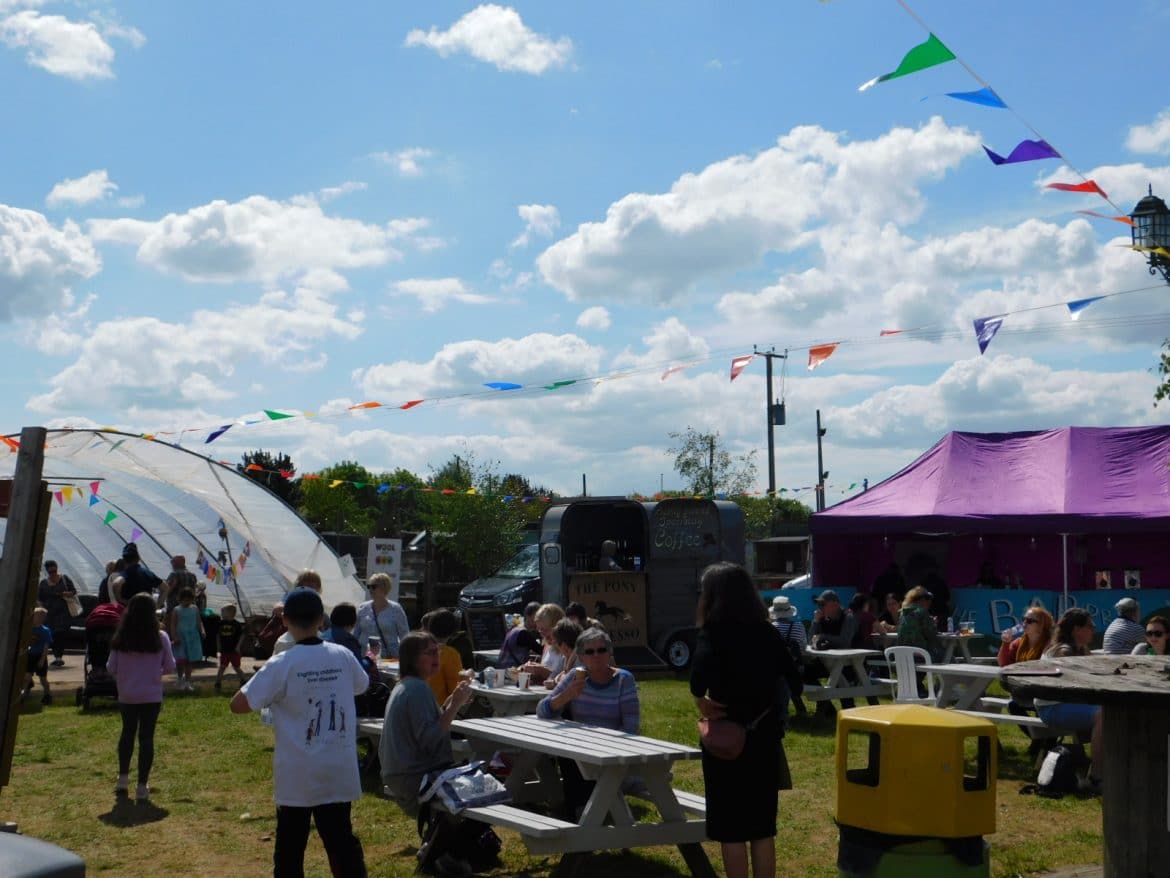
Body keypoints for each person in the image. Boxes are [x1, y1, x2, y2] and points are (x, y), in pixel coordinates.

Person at [232, 588, 370, 877]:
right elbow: (362, 685)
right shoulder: (343, 655)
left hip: (298, 772)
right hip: (337, 768)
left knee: (290, 847)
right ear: (321, 619)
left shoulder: (283, 662)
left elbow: (239, 704)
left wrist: (273, 693)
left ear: (285, 620)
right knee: (341, 841)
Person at [690, 562, 801, 878]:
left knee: (731, 829)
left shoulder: (713, 634)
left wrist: (700, 699)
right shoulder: (767, 632)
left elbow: (697, 680)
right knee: (762, 827)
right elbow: (795, 681)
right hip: (764, 735)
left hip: (725, 737)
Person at [538, 626, 640, 815]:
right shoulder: (575, 677)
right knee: (567, 754)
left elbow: (631, 729)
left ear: (609, 653)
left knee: (577, 762)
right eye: (590, 652)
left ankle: (582, 811)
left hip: (612, 750)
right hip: (582, 750)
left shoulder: (623, 680)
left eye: (601, 650)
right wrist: (567, 695)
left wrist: (607, 746)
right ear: (581, 657)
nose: (596, 656)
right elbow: (542, 711)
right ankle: (579, 810)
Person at [380, 630, 473, 817]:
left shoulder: (406, 685)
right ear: (412, 658)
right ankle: (448, 834)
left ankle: (448, 834)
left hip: (401, 774)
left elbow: (427, 725)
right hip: (415, 778)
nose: (436, 657)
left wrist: (451, 702)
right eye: (429, 653)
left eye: (437, 651)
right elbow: (430, 739)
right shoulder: (416, 689)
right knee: (487, 789)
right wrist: (454, 705)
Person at [107, 592, 177, 802]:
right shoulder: (160, 637)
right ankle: (142, 785)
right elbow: (170, 667)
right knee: (146, 738)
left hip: (127, 694)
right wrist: (154, 672)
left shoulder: (121, 637)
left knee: (127, 734)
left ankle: (122, 780)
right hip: (151, 695)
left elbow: (111, 667)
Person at [1040, 608, 1103, 789]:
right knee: (1103, 715)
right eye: (1090, 626)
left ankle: (1106, 767)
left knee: (1113, 710)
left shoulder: (1079, 648)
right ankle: (1096, 776)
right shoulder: (1064, 652)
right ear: (1077, 629)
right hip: (1052, 707)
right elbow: (1078, 683)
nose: (1093, 629)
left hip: (1067, 703)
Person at [355, 572, 410, 659]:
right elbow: (356, 634)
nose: (370, 589)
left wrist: (406, 657)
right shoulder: (363, 608)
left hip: (389, 658)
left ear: (384, 588)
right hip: (364, 657)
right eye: (369, 586)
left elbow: (404, 635)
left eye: (374, 587)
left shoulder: (396, 609)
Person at [273, 570, 329, 655]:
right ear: (299, 583)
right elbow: (277, 608)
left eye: (313, 582)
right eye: (307, 581)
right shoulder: (294, 596)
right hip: (295, 631)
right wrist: (297, 609)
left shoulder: (316, 598)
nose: (310, 584)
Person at [420, 609, 466, 706]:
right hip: (436, 708)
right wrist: (468, 678)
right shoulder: (450, 654)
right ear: (453, 632)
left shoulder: (416, 648)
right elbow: (456, 690)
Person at [37, 559, 77, 667]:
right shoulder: (44, 583)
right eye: (50, 572)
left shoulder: (64, 579)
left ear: (57, 568)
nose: (53, 574)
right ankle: (55, 656)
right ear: (47, 571)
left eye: (54, 571)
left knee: (61, 634)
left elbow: (73, 591)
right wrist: (41, 608)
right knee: (52, 634)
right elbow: (39, 598)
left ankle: (58, 657)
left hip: (63, 613)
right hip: (49, 614)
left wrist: (66, 593)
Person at [521, 603, 567, 686]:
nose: (542, 634)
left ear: (557, 626)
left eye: (545, 629)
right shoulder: (547, 646)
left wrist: (543, 671)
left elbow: (568, 678)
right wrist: (534, 671)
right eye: (539, 630)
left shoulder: (567, 647)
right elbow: (545, 678)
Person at [169, 586, 204, 692]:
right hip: (180, 638)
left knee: (189, 661)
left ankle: (188, 682)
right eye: (184, 600)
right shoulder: (177, 610)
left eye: (189, 599)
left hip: (192, 638)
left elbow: (199, 621)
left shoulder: (195, 608)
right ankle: (180, 679)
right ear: (180, 599)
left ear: (192, 599)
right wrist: (174, 637)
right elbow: (173, 625)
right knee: (180, 660)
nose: (187, 602)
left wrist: (202, 631)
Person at [896, 586, 942, 662]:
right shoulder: (921, 612)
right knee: (945, 654)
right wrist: (933, 625)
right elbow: (932, 636)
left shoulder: (903, 613)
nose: (929, 602)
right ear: (922, 600)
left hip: (903, 657)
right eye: (927, 599)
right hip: (920, 656)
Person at [213, 604, 247, 692]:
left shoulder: (236, 624)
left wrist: (238, 646)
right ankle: (217, 682)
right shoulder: (220, 623)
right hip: (224, 650)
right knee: (222, 666)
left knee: (236, 667)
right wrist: (218, 646)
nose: (221, 613)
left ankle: (244, 680)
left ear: (230, 613)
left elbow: (242, 636)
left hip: (234, 650)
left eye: (223, 612)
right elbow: (217, 635)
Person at [23, 607, 52, 705]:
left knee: (43, 679)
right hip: (30, 655)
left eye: (35, 617)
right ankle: (22, 695)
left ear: (41, 618)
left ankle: (47, 695)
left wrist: (42, 660)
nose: (33, 619)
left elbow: (46, 647)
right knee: (27, 677)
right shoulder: (28, 629)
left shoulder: (45, 630)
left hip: (40, 656)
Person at [498, 601, 542, 668]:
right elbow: (541, 650)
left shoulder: (515, 629)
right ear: (527, 616)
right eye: (535, 619)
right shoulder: (524, 634)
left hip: (504, 668)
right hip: (511, 670)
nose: (537, 622)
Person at [543, 618, 582, 688]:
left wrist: (555, 682)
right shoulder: (564, 658)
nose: (555, 646)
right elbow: (552, 676)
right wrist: (555, 680)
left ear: (564, 645)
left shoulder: (582, 659)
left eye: (555, 642)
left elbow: (571, 681)